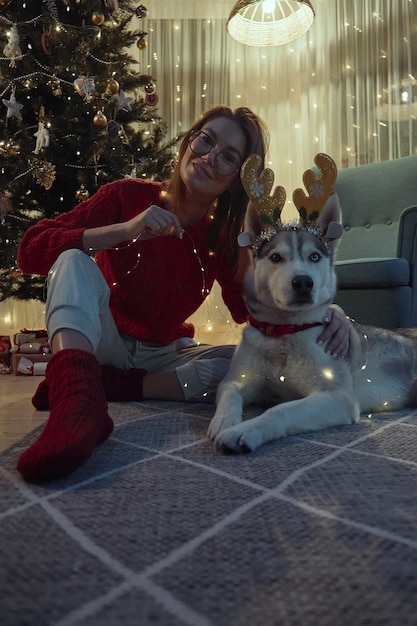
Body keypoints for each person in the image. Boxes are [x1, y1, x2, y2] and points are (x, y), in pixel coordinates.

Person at [16, 105, 349, 482]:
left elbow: (253, 310)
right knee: (73, 260)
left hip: (163, 354)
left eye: (227, 157)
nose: (208, 157)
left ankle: (100, 383)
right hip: (104, 338)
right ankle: (76, 403)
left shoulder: (223, 239)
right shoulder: (126, 197)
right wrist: (124, 230)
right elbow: (31, 250)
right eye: (205, 140)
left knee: (233, 366)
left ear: (236, 181)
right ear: (189, 140)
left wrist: (325, 310)